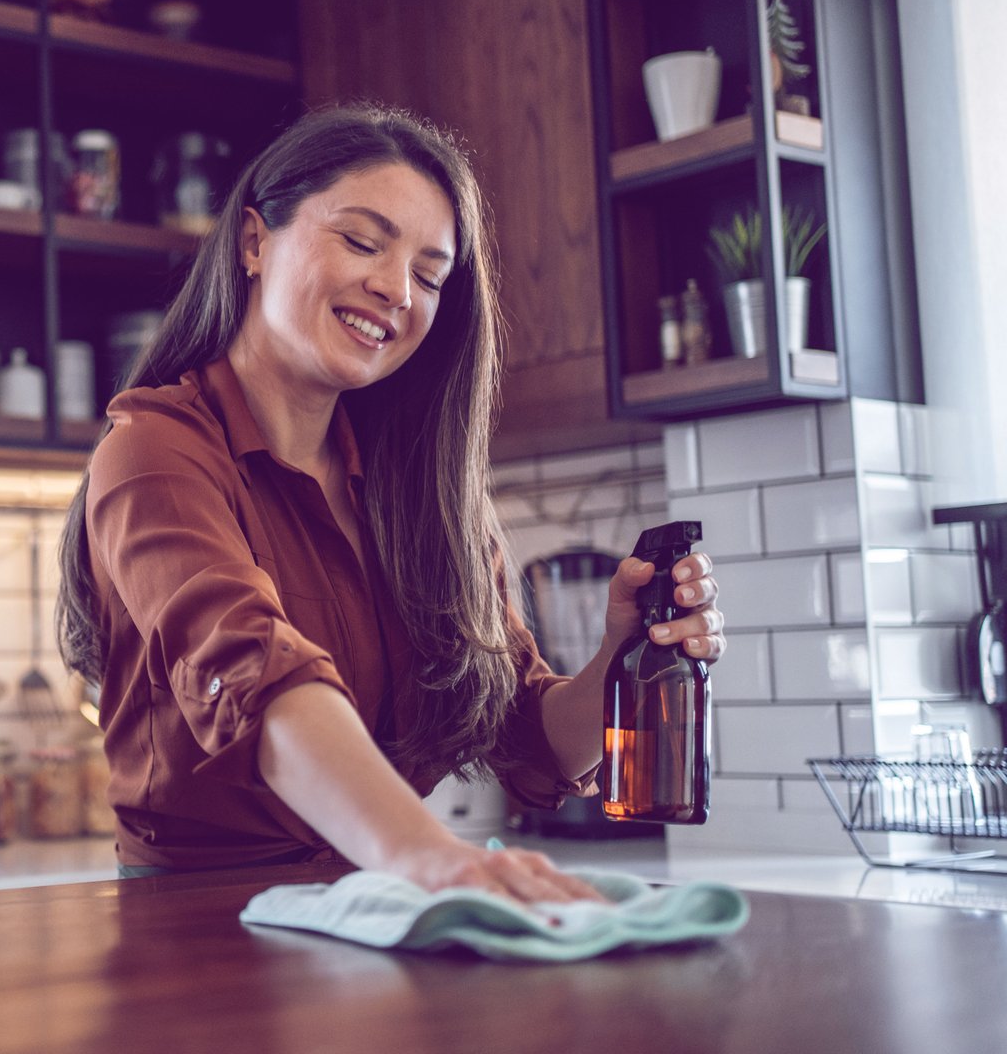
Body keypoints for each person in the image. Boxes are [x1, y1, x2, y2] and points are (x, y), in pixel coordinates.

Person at [55, 104, 725, 903]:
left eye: (431, 275)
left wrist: (621, 655)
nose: (395, 289)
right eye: (363, 242)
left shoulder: (423, 491)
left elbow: (528, 739)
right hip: (197, 929)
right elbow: (261, 683)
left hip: (379, 914)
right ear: (254, 240)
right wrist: (438, 859)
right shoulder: (155, 449)